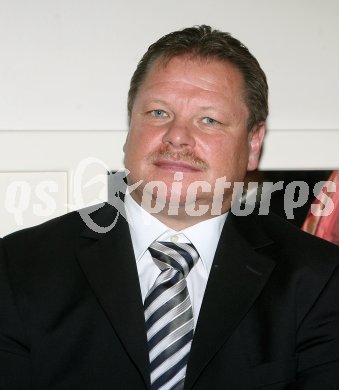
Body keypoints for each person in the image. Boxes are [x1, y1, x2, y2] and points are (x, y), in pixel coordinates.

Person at [1, 25, 339, 390]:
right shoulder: (18, 268)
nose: (177, 136)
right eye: (159, 113)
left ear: (254, 143)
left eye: (209, 120)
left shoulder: (319, 281)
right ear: (130, 125)